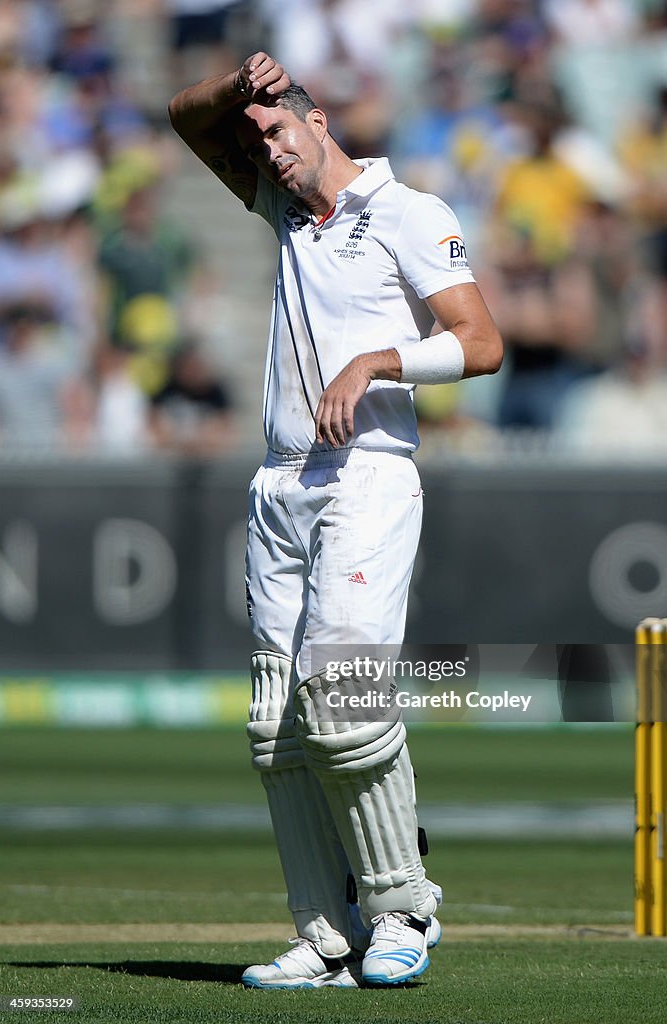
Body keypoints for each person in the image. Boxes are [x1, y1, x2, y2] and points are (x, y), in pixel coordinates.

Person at [168, 52, 503, 989]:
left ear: (318, 121)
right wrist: (238, 91)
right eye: (256, 142)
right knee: (276, 726)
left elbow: (481, 344)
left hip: (367, 475)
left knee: (344, 699)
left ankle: (402, 909)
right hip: (279, 485)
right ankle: (325, 935)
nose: (267, 154)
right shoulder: (282, 207)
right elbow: (180, 117)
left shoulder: (407, 210)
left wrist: (373, 364)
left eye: (278, 131)